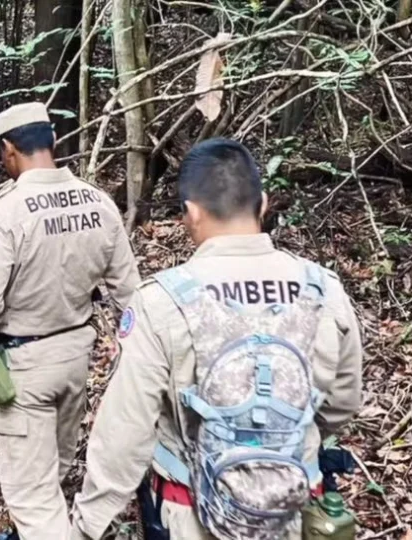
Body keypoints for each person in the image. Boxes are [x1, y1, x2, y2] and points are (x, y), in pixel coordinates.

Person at [68, 138, 364, 540]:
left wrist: (88, 524)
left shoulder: (164, 300)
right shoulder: (322, 290)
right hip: (297, 510)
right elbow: (341, 403)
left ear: (190, 213)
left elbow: (125, 430)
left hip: (191, 514)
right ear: (262, 204)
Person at [0, 102, 140, 540]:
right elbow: (130, 293)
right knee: (54, 467)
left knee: (32, 494)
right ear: (52, 141)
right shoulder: (99, 202)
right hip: (76, 355)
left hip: (24, 365)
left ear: (8, 149)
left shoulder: (3, 211)